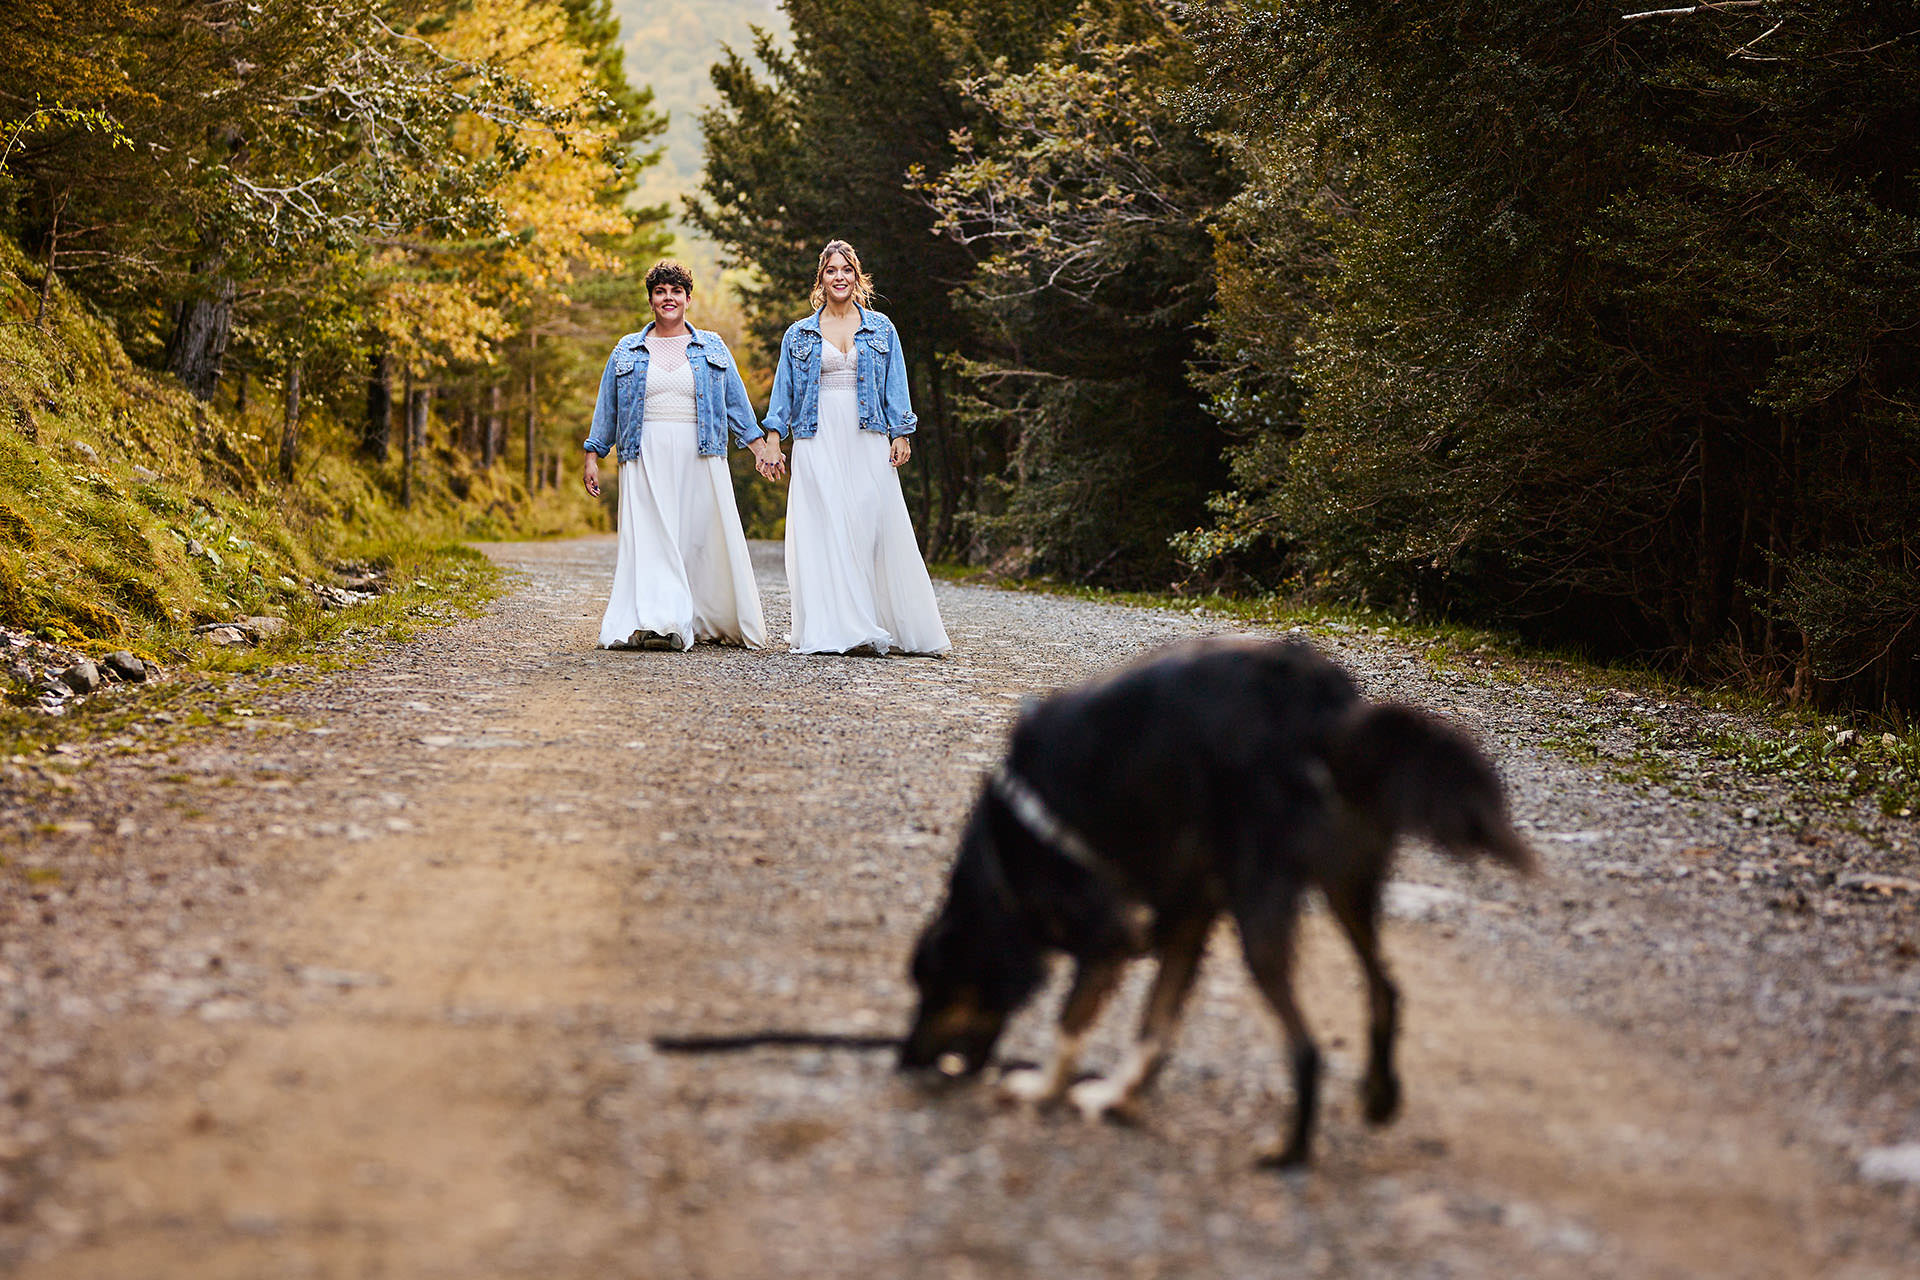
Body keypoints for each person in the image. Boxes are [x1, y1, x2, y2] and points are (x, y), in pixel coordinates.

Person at [759, 240, 951, 656]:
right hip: (816, 436)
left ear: (857, 276)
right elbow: (784, 391)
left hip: (868, 436)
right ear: (821, 279)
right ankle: (842, 628)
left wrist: (901, 432)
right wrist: (773, 439)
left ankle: (874, 620)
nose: (839, 277)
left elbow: (895, 383)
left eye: (846, 269)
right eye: (831, 271)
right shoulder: (799, 334)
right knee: (826, 527)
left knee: (868, 526)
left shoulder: (882, 328)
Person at [582, 259, 785, 650]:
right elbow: (607, 406)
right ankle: (658, 621)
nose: (668, 298)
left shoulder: (711, 345)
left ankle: (691, 616)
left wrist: (760, 447)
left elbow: (735, 403)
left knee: (696, 538)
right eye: (660, 292)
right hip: (644, 454)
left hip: (700, 452)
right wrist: (594, 453)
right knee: (653, 536)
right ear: (651, 300)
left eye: (676, 291)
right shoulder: (627, 349)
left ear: (688, 299)